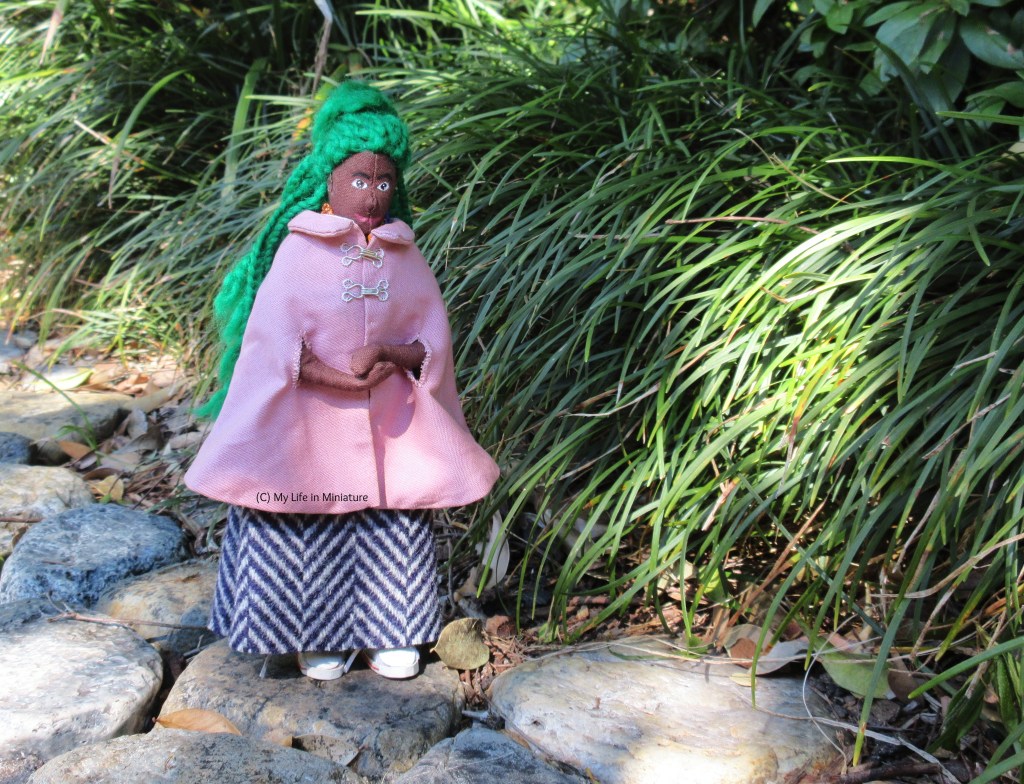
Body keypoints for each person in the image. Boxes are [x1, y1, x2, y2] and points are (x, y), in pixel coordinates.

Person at [185, 80, 499, 680]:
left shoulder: (404, 254)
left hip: (391, 428)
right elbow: (271, 344)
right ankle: (314, 632)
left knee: (392, 520)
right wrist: (330, 374)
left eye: (383, 182)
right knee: (304, 525)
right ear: (328, 178)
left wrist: (392, 354)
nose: (372, 195)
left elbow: (432, 341)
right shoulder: (298, 251)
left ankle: (393, 629)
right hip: (308, 428)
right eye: (359, 180)